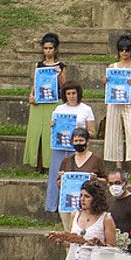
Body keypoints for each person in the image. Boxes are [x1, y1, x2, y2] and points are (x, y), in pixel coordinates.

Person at [44, 84, 96, 214]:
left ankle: (77, 207)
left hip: (76, 148)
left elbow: (92, 132)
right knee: (56, 175)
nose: (71, 96)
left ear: (78, 94)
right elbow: (54, 130)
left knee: (75, 177)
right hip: (60, 147)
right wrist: (53, 125)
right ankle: (52, 206)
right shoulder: (59, 108)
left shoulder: (86, 109)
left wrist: (79, 134)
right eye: (68, 94)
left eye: (73, 93)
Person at [22, 33, 65, 171]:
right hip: (39, 102)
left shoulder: (61, 66)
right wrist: (31, 95)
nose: (48, 51)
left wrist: (58, 75)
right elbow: (35, 82)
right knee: (35, 132)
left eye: (50, 48)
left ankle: (50, 165)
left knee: (49, 133)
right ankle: (36, 163)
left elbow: (64, 85)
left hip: (54, 101)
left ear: (55, 49)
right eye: (45, 48)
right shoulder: (39, 65)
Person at [104, 35, 131, 175]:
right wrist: (106, 81)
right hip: (115, 103)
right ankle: (118, 166)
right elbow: (108, 85)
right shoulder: (112, 67)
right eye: (121, 50)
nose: (124, 53)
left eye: (127, 50)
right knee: (114, 132)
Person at [105, 169, 131, 236]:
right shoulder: (109, 201)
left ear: (126, 183)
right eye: (111, 183)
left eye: (117, 183)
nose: (114, 186)